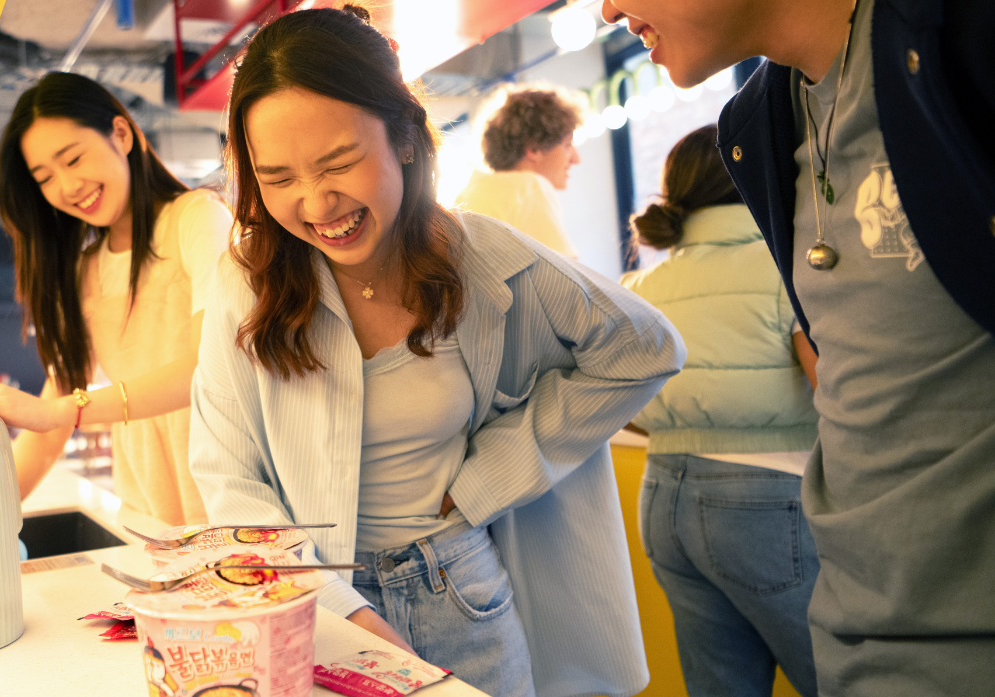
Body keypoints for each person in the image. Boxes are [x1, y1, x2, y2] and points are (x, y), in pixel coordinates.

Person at [188, 6, 685, 696]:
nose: (316, 202)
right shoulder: (247, 284)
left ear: (406, 139)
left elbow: (644, 345)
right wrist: (343, 607)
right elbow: (229, 478)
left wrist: (495, 469)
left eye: (339, 162)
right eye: (278, 179)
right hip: (312, 598)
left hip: (461, 588)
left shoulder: (484, 259)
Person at [601, 0, 995, 693]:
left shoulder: (953, 38)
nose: (607, 10)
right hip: (850, 614)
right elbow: (836, 377)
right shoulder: (756, 130)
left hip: (673, 496)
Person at [0, 72, 233, 526]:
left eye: (73, 158)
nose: (66, 187)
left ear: (120, 134)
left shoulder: (197, 218)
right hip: (148, 508)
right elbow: (47, 434)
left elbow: (210, 368)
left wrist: (58, 411)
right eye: (45, 178)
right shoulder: (86, 272)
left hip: (226, 491)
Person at [621, 125, 821, 697]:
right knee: (844, 680)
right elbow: (835, 391)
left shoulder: (642, 285)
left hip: (664, 500)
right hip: (766, 500)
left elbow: (625, 408)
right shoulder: (789, 268)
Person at [454, 84, 583, 259]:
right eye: (567, 145)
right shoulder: (528, 187)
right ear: (533, 148)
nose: (576, 159)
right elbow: (569, 281)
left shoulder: (469, 195)